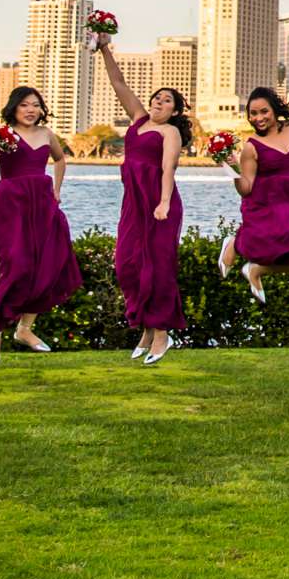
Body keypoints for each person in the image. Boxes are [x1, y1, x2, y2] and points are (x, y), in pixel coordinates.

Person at [96, 40, 188, 364]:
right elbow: (118, 82)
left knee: (159, 268)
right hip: (133, 204)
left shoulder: (170, 133)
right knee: (127, 264)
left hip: (160, 205)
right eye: (157, 98)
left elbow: (168, 169)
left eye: (167, 101)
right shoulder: (137, 118)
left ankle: (161, 334)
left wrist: (163, 202)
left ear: (175, 111)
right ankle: (146, 327)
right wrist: (105, 48)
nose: (159, 102)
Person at [0, 85, 81, 366]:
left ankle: (24, 329)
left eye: (36, 105)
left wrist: (57, 190)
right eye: (25, 104)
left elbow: (60, 159)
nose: (31, 110)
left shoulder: (47, 134)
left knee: (48, 265)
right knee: (15, 266)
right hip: (12, 204)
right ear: (14, 107)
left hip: (43, 203)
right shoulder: (1, 134)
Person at [220, 86, 289, 303]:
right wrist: (232, 169)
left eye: (264, 111)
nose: (258, 118)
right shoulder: (251, 147)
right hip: (267, 205)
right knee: (269, 247)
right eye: (253, 113)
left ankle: (257, 270)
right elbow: (246, 188)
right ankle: (234, 243)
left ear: (274, 109)